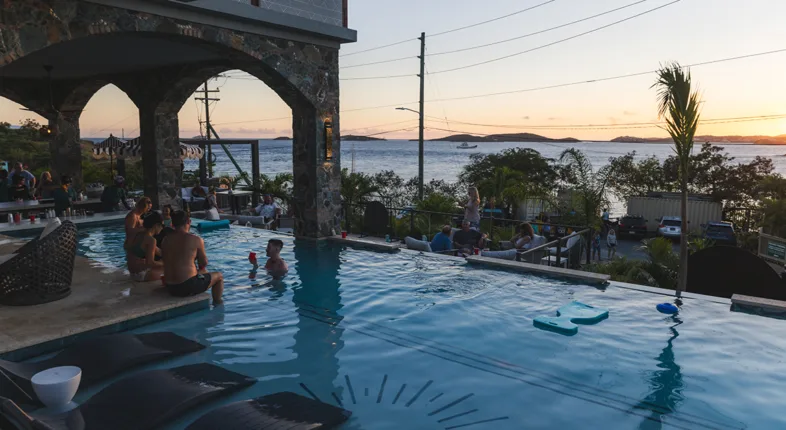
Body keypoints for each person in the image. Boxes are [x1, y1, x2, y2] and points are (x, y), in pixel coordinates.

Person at [161, 211, 224, 305]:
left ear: (172, 223)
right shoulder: (196, 239)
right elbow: (204, 263)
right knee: (219, 276)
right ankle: (218, 304)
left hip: (170, 286)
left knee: (202, 273)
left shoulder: (165, 240)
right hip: (187, 286)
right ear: (189, 221)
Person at [127, 211, 165, 282]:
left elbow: (160, 252)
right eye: (162, 225)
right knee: (170, 268)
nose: (162, 228)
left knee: (163, 261)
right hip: (142, 275)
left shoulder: (139, 234)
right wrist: (166, 263)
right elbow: (150, 263)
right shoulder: (151, 240)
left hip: (132, 273)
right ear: (156, 225)